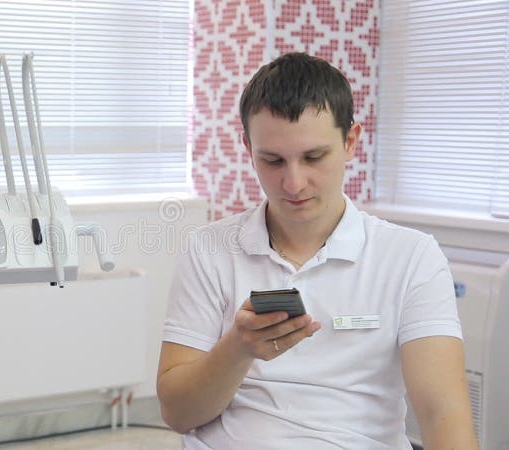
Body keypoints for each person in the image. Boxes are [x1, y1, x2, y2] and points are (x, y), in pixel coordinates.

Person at [157, 52, 477, 449]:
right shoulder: (208, 249)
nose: (293, 183)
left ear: (350, 142)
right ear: (247, 147)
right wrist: (237, 350)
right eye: (272, 160)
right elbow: (178, 415)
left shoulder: (412, 257)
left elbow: (443, 413)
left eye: (313, 157)